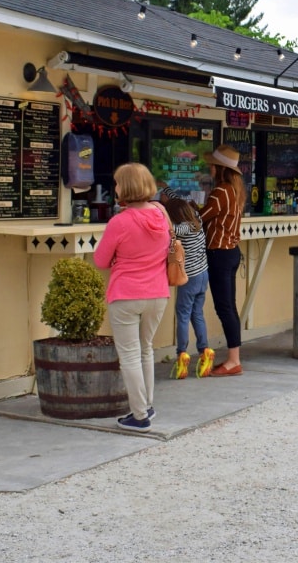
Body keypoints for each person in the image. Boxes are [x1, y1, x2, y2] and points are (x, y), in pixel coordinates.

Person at [94, 162, 172, 432]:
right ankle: (148, 405)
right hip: (158, 292)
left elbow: (101, 260)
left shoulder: (120, 221)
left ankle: (139, 416)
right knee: (146, 349)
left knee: (128, 355)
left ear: (125, 187)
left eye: (117, 183)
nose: (114, 188)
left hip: (126, 294)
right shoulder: (162, 214)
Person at [199, 144, 246, 375]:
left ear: (219, 168)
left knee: (224, 307)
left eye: (212, 165)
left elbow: (202, 217)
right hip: (232, 251)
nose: (210, 168)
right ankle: (233, 358)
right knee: (230, 306)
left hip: (219, 252)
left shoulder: (221, 191)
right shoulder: (235, 190)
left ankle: (233, 361)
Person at [166, 197, 213, 379]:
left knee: (183, 315)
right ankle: (204, 351)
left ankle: (182, 354)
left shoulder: (181, 229)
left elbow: (168, 230)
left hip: (189, 277)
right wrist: (167, 190)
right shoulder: (197, 222)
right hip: (203, 275)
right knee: (197, 313)